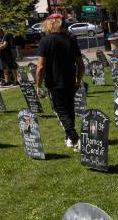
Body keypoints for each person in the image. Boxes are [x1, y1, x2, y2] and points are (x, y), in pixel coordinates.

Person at [36, 13, 84, 151]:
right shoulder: (70, 40)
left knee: (61, 111)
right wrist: (78, 80)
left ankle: (75, 138)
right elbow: (81, 64)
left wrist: (38, 85)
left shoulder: (45, 41)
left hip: (54, 82)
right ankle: (69, 137)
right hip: (70, 81)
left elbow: (40, 67)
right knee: (69, 110)